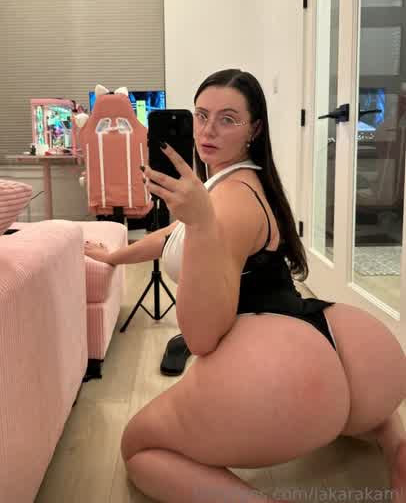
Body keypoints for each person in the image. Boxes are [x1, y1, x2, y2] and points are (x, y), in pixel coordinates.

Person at [84, 69, 406, 503]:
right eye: (201, 116)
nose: (207, 131)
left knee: (138, 447)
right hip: (346, 346)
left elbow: (201, 338)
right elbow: (171, 235)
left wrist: (201, 226)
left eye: (228, 119)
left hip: (282, 363)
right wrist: (115, 255)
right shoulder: (241, 179)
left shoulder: (228, 203)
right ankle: (396, 445)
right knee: (359, 417)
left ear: (254, 129)